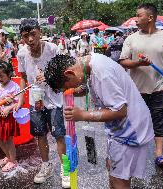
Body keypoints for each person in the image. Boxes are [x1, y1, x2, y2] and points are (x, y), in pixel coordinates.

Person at [44, 54, 154, 189]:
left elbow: (120, 111)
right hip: (121, 130)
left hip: (130, 131)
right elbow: (89, 88)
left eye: (66, 86)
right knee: (113, 170)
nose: (68, 90)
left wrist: (83, 115)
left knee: (118, 180)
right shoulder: (90, 64)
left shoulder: (102, 73)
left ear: (69, 72)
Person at [16, 19, 69, 188]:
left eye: (33, 34)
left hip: (54, 98)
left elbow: (64, 72)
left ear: (39, 32)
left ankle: (65, 168)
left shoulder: (52, 49)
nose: (30, 39)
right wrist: (21, 98)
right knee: (40, 134)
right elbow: (23, 77)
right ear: (22, 38)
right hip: (35, 100)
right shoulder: (21, 54)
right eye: (26, 36)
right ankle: (46, 164)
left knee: (58, 134)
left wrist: (48, 76)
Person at [119, 3, 163, 166]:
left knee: (159, 121)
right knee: (136, 122)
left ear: (150, 18)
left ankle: (158, 155)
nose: (136, 19)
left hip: (160, 87)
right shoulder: (131, 39)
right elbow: (123, 61)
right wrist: (138, 63)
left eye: (139, 16)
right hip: (137, 89)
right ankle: (135, 153)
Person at [0, 62, 20, 172]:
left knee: (8, 140)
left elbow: (18, 103)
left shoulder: (15, 87)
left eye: (1, 76)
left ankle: (13, 161)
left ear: (9, 74)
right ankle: (8, 156)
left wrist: (8, 108)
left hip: (8, 117)